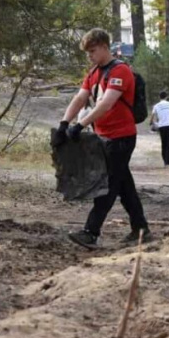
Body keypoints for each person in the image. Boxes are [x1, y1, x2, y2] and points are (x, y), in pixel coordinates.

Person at [52, 28, 150, 249]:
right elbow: (80, 97)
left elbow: (106, 103)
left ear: (105, 47)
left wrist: (80, 126)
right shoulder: (94, 72)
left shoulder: (120, 71)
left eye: (93, 51)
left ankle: (90, 232)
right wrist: (64, 124)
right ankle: (141, 228)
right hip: (104, 138)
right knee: (124, 185)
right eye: (88, 53)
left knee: (109, 186)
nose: (90, 56)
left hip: (122, 138)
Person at [151, 91, 169, 167]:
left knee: (163, 144)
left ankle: (165, 162)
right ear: (167, 97)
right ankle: (168, 162)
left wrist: (151, 123)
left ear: (159, 97)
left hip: (161, 126)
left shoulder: (156, 106)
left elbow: (153, 116)